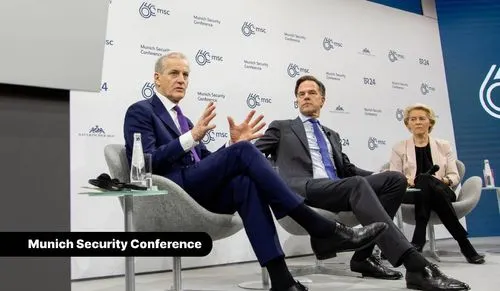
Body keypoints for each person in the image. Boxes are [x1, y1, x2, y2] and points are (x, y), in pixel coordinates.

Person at [123, 53, 387, 291]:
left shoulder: (185, 120)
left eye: (186, 75)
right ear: (157, 78)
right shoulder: (141, 111)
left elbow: (206, 161)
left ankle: (282, 280)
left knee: (244, 182)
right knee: (245, 153)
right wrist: (191, 137)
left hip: (197, 189)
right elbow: (147, 162)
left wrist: (230, 145)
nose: (181, 79)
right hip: (172, 191)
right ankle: (320, 226)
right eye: (174, 73)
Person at [255, 75, 471, 291]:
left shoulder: (332, 135)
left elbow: (349, 170)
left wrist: (383, 175)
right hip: (303, 189)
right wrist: (238, 144)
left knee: (394, 179)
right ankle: (416, 266)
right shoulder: (282, 127)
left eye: (312, 93)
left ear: (323, 100)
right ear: (296, 100)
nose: (306, 97)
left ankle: (362, 257)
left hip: (337, 189)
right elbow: (253, 155)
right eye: (301, 94)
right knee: (357, 184)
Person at [389, 103, 485, 264]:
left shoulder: (443, 146)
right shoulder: (399, 148)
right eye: (413, 119)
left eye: (422, 118)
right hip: (413, 192)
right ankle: (464, 244)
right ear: (408, 124)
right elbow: (394, 175)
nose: (417, 122)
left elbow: (454, 175)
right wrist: (408, 180)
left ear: (430, 122)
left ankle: (418, 239)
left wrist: (443, 180)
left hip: (442, 189)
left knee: (426, 181)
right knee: (423, 182)